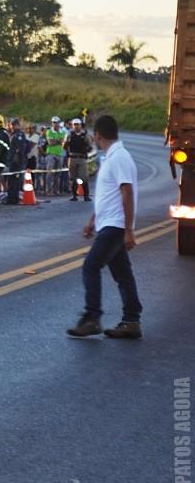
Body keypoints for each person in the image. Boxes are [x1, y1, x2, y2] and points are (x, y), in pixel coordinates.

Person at [67, 115, 143, 339]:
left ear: (97, 135)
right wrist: (93, 220)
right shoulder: (111, 157)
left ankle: (92, 318)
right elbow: (108, 195)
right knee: (122, 274)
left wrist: (129, 229)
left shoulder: (119, 158)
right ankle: (131, 321)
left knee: (91, 266)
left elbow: (127, 192)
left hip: (116, 225)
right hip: (109, 222)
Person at [64, 117, 93, 201]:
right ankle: (74, 195)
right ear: (72, 126)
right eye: (74, 125)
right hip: (72, 157)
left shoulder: (85, 135)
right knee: (73, 177)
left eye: (78, 125)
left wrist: (85, 151)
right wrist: (68, 149)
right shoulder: (69, 135)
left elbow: (90, 146)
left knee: (84, 177)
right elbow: (65, 146)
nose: (76, 126)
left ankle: (86, 195)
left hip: (82, 158)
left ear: (81, 125)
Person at [5, 118, 29, 204]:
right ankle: (11, 198)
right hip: (12, 162)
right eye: (11, 125)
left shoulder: (19, 135)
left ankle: (14, 199)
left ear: (17, 125)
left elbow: (20, 149)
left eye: (13, 125)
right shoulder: (13, 134)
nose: (12, 126)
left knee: (15, 181)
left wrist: (17, 159)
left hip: (17, 162)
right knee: (11, 181)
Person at [45, 116, 66, 195]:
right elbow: (51, 142)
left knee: (58, 173)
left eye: (56, 122)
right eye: (53, 122)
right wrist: (58, 141)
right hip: (51, 153)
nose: (55, 124)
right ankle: (48, 190)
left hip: (60, 153)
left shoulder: (63, 132)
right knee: (49, 173)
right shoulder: (49, 131)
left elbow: (63, 142)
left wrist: (56, 141)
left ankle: (56, 190)